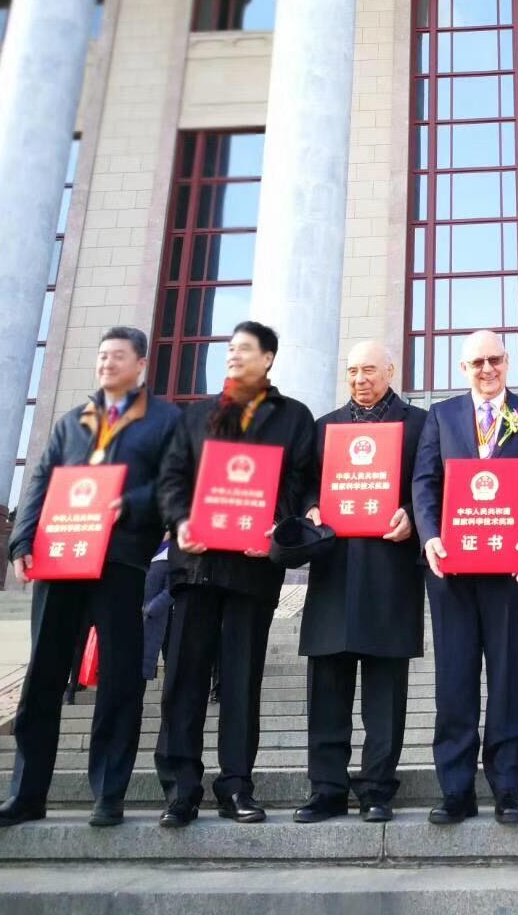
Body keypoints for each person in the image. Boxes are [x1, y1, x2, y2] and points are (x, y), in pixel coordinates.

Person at [0, 327, 178, 829]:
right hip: (60, 560)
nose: (107, 364)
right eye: (101, 356)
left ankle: (108, 794)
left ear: (141, 366)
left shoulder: (165, 420)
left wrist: (129, 504)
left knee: (119, 680)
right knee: (43, 677)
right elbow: (42, 481)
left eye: (118, 357)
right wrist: (21, 541)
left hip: (121, 562)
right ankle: (26, 794)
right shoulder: (73, 422)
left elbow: (176, 486)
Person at [154, 320, 315, 828]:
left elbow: (301, 480)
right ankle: (181, 789)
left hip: (251, 571)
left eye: (244, 349)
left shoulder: (292, 417)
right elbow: (172, 478)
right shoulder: (197, 414)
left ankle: (236, 786)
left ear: (269, 358)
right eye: (229, 349)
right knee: (184, 679)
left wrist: (274, 517)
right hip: (197, 566)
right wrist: (180, 523)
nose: (233, 356)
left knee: (242, 682)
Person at [412, 329, 518, 826]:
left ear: (508, 361)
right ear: (462, 368)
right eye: (476, 362)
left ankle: (507, 788)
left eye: (494, 360)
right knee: (453, 678)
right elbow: (425, 482)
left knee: (506, 677)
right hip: (450, 567)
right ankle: (455, 790)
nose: (486, 369)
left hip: (509, 567)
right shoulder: (442, 415)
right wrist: (430, 534)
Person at [294, 340, 427, 824]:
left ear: (390, 371)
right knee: (326, 685)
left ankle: (376, 788)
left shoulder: (418, 425)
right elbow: (305, 482)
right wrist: (310, 505)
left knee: (384, 693)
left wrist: (413, 516)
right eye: (352, 371)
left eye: (370, 369)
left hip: (389, 570)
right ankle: (326, 788)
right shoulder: (326, 426)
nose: (360, 379)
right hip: (334, 569)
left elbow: (429, 483)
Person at [141, 539, 172, 683]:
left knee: (141, 669)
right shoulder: (146, 546)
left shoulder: (171, 552)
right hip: (130, 617)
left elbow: (172, 589)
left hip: (152, 619)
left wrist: (150, 609)